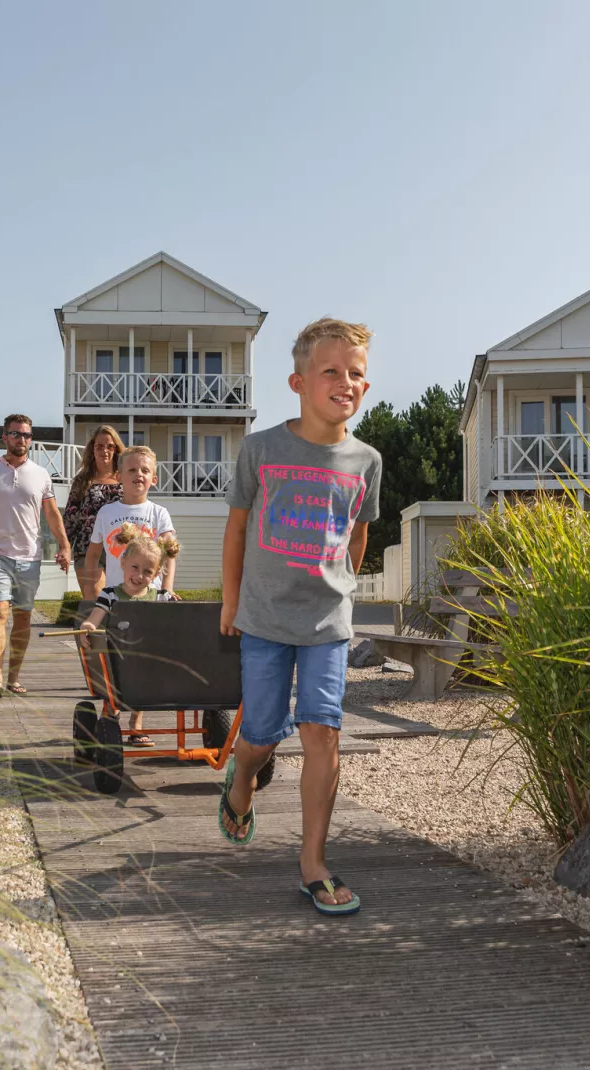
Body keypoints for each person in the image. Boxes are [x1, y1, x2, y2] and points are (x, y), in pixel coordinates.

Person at [216, 318, 382, 917]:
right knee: (261, 733)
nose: (345, 382)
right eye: (331, 371)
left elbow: (358, 538)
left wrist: (341, 589)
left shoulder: (366, 460)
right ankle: (241, 782)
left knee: (322, 731)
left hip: (327, 624)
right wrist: (232, 602)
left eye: (356, 373)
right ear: (298, 381)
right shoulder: (261, 449)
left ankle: (313, 863)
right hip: (262, 618)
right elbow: (237, 528)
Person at [0, 414, 72, 697]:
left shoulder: (41, 474)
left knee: (23, 618)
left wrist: (64, 545)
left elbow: (52, 514)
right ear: (5, 437)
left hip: (29, 557)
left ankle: (13, 678)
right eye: (17, 434)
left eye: (27, 435)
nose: (23, 440)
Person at [78, 520, 182, 746]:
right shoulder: (110, 595)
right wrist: (88, 627)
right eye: (135, 567)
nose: (140, 575)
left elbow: (175, 623)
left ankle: (136, 723)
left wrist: (176, 607)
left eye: (148, 571)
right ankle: (110, 714)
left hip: (146, 657)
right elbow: (95, 617)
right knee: (115, 679)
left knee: (144, 677)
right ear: (123, 562)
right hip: (117, 656)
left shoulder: (159, 596)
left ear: (156, 573)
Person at [85, 445, 178, 599]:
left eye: (145, 470)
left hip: (151, 596)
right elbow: (93, 554)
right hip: (114, 597)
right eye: (132, 470)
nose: (139, 474)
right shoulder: (106, 512)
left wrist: (167, 588)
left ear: (154, 479)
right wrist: (90, 587)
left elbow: (169, 553)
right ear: (119, 476)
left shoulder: (159, 513)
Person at [62, 425, 125, 600]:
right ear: (92, 449)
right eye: (99, 446)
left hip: (120, 551)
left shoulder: (126, 479)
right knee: (97, 601)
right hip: (86, 549)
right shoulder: (82, 481)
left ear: (116, 449)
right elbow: (70, 518)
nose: (104, 450)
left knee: (119, 605)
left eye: (110, 446)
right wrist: (65, 548)